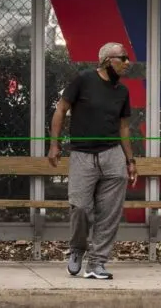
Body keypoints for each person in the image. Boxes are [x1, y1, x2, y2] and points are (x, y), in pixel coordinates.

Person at [48, 42, 138, 280]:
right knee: (79, 207)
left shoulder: (122, 91)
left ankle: (97, 263)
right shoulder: (84, 80)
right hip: (82, 155)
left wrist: (130, 161)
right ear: (108, 60)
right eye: (123, 58)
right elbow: (61, 109)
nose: (128, 63)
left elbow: (124, 128)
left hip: (112, 156)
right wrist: (54, 144)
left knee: (109, 213)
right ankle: (77, 250)